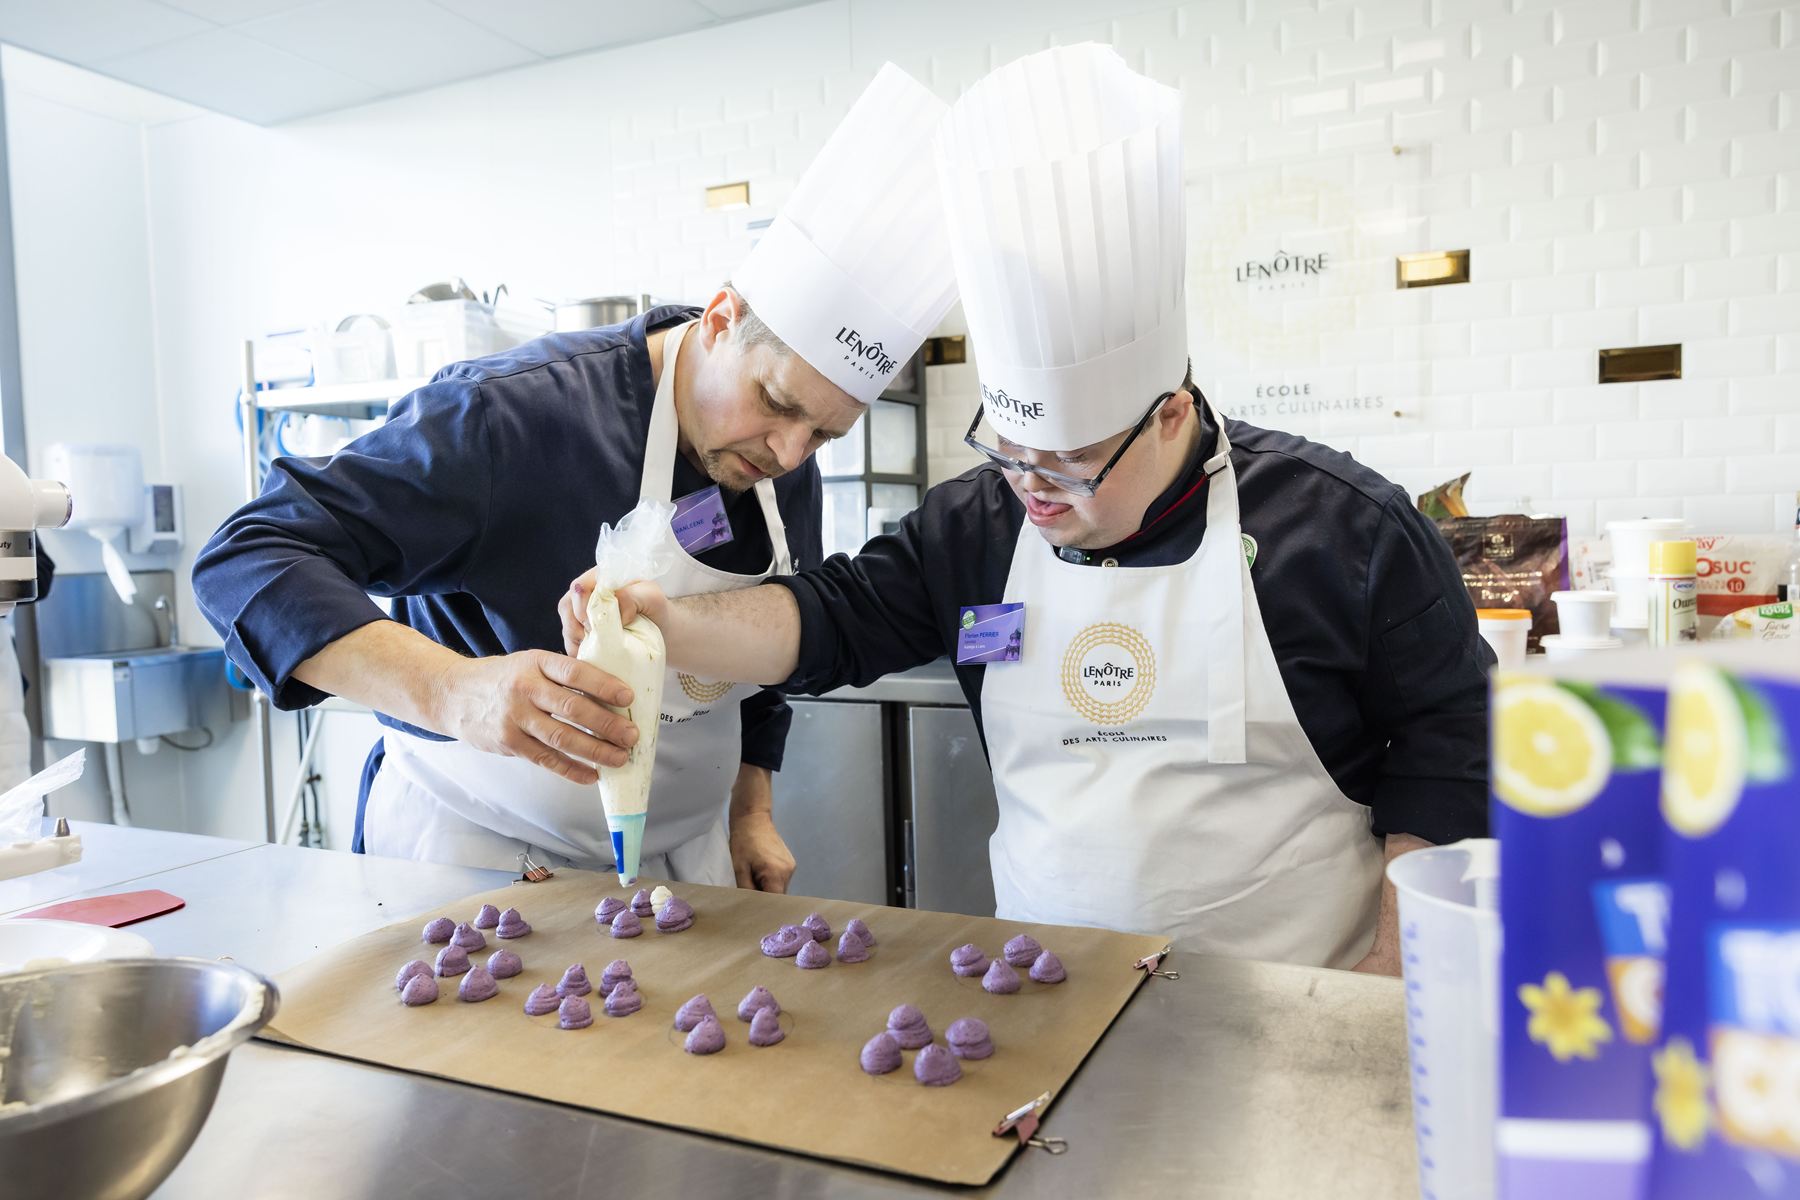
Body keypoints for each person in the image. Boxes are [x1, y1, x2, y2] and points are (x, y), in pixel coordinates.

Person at [560, 45, 1491, 971]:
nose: (1035, 490)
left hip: (1300, 1009)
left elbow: (1454, 748)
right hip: (1051, 1002)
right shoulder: (976, 528)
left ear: (1170, 413)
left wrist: (1389, 981)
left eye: (1074, 464)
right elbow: (829, 619)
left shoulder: (1345, 530)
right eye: (1009, 455)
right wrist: (667, 623)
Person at [193, 64, 956, 888]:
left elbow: (760, 661)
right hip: (482, 855)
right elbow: (248, 554)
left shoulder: (779, 462)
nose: (789, 452)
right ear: (723, 318)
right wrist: (456, 691)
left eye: (826, 433)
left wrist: (749, 813)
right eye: (774, 402)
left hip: (685, 858)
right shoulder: (507, 417)